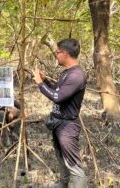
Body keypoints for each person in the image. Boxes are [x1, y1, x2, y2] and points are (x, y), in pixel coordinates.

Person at [33, 38, 87, 187]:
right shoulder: (67, 73)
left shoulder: (77, 75)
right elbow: (58, 90)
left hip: (67, 126)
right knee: (61, 158)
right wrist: (46, 82)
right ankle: (63, 184)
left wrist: (40, 83)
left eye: (57, 52)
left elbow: (58, 97)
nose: (56, 55)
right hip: (58, 123)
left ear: (65, 53)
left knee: (74, 166)